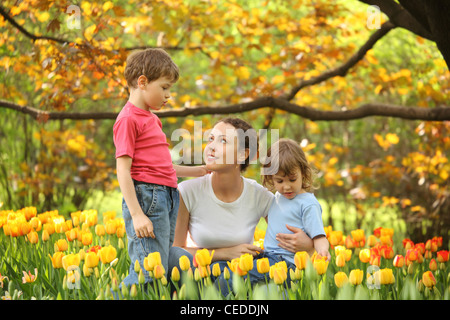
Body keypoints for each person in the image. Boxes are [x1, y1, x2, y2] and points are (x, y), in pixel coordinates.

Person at [169, 119, 315, 280]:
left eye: (223, 141)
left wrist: (308, 245)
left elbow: (289, 234)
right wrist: (224, 253)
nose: (211, 146)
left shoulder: (259, 195)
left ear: (242, 154)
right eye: (211, 139)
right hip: (201, 275)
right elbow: (177, 251)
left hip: (238, 276)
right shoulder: (187, 191)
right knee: (175, 256)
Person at [113, 48, 206, 289]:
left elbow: (163, 166)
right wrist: (136, 214)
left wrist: (200, 170)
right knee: (149, 270)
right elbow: (123, 170)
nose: (168, 95)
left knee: (160, 267)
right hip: (147, 198)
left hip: (166, 196)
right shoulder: (128, 119)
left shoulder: (151, 118)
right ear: (142, 82)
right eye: (164, 87)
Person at [215, 138, 330, 295]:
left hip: (288, 263)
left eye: (292, 179)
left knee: (231, 278)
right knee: (225, 268)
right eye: (279, 180)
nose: (286, 186)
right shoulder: (276, 197)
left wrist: (322, 252)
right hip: (269, 256)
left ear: (303, 172)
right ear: (271, 178)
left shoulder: (308, 203)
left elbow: (319, 236)